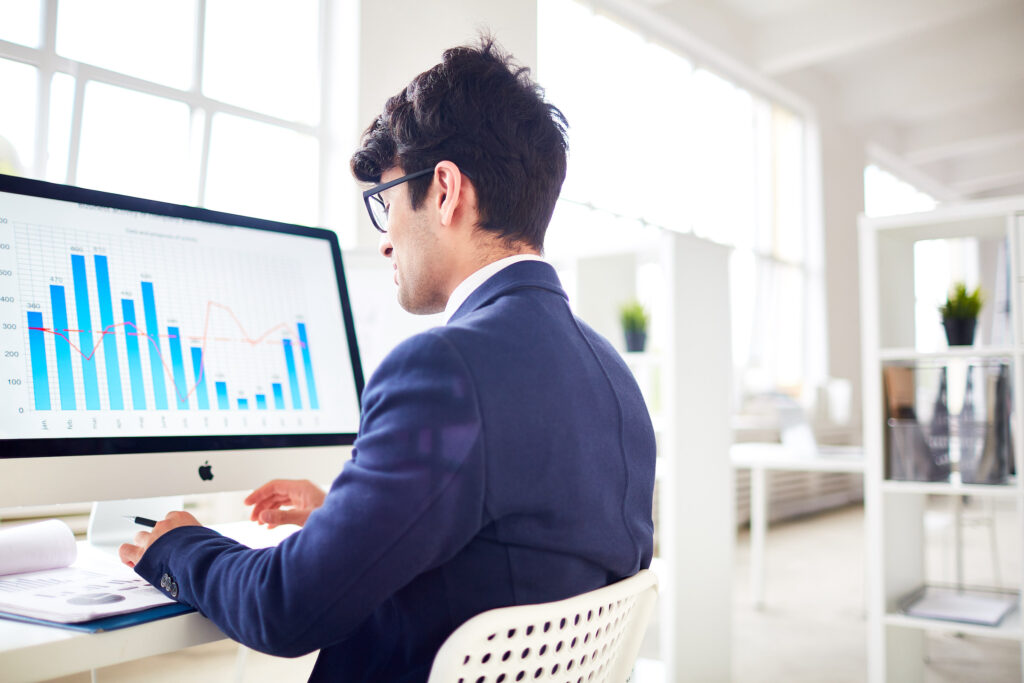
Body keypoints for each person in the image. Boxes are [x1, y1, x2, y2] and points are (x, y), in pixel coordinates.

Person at [119, 36, 655, 682]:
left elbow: (285, 609)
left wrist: (178, 541)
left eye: (388, 200)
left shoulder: (445, 367)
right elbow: (522, 545)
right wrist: (342, 517)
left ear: (447, 190)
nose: (384, 240)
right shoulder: (613, 375)